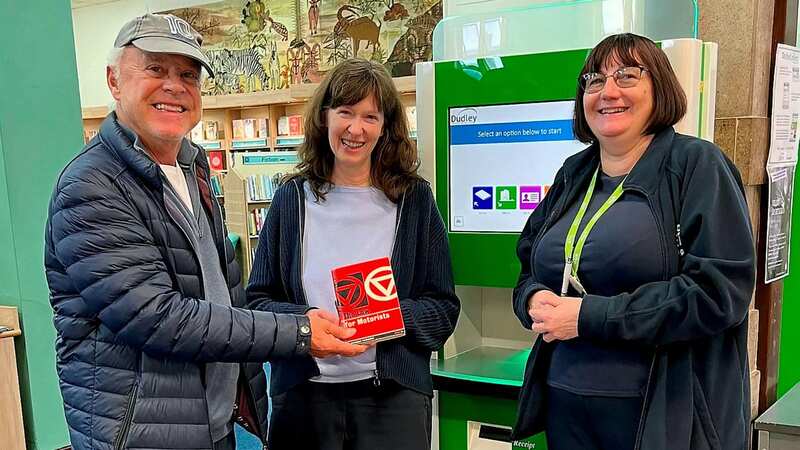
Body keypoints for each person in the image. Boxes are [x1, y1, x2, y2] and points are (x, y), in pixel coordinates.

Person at [44, 13, 364, 450]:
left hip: (211, 422)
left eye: (188, 75)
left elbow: (218, 296)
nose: (175, 87)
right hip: (143, 433)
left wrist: (300, 320)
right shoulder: (91, 186)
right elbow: (157, 317)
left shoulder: (191, 169)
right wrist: (299, 333)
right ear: (114, 81)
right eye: (155, 69)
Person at [511, 33, 755, 450]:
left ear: (658, 87)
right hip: (566, 408)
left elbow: (719, 294)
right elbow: (530, 267)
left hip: (661, 416)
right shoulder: (574, 173)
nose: (608, 91)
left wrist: (590, 316)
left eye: (627, 75)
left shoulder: (697, 166)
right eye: (594, 80)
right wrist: (532, 299)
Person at [246, 58, 460, 450]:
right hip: (303, 398)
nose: (355, 129)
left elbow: (443, 309)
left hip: (394, 401)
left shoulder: (414, 201)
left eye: (370, 116)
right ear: (325, 117)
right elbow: (257, 301)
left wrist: (385, 316)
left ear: (386, 127)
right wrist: (304, 324)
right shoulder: (291, 200)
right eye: (345, 112)